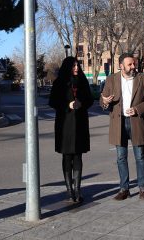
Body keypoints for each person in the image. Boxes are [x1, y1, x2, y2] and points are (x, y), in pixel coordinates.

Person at [100, 53, 144, 200]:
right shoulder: (112, 79)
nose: (133, 67)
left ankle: (142, 188)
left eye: (134, 64)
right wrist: (105, 101)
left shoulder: (143, 78)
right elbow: (103, 100)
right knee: (121, 157)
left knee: (140, 156)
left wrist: (137, 109)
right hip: (119, 122)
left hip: (136, 121)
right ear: (121, 66)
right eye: (129, 64)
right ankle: (124, 189)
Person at [48, 56, 94, 203]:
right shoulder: (59, 82)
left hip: (80, 123)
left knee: (78, 156)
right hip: (65, 124)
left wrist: (82, 103)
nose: (76, 68)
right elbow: (53, 102)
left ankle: (78, 190)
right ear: (67, 67)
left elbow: (90, 99)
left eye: (77, 65)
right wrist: (67, 105)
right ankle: (69, 190)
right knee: (67, 156)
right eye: (73, 65)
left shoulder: (83, 81)